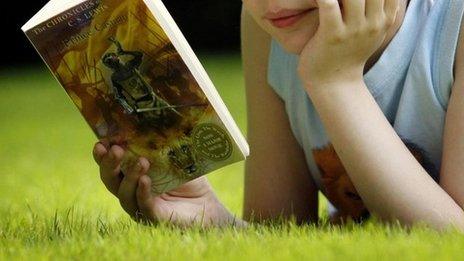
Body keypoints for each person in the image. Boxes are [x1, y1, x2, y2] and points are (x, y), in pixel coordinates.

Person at [92, 0, 464, 230]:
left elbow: (452, 243)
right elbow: (280, 231)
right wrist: (207, 216)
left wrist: (336, 83)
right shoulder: (275, 24)